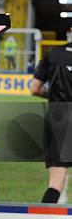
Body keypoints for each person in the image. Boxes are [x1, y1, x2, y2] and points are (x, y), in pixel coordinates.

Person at [31, 27, 72, 204]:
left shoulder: (53, 53)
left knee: (55, 184)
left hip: (58, 119)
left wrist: (53, 94)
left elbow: (35, 89)